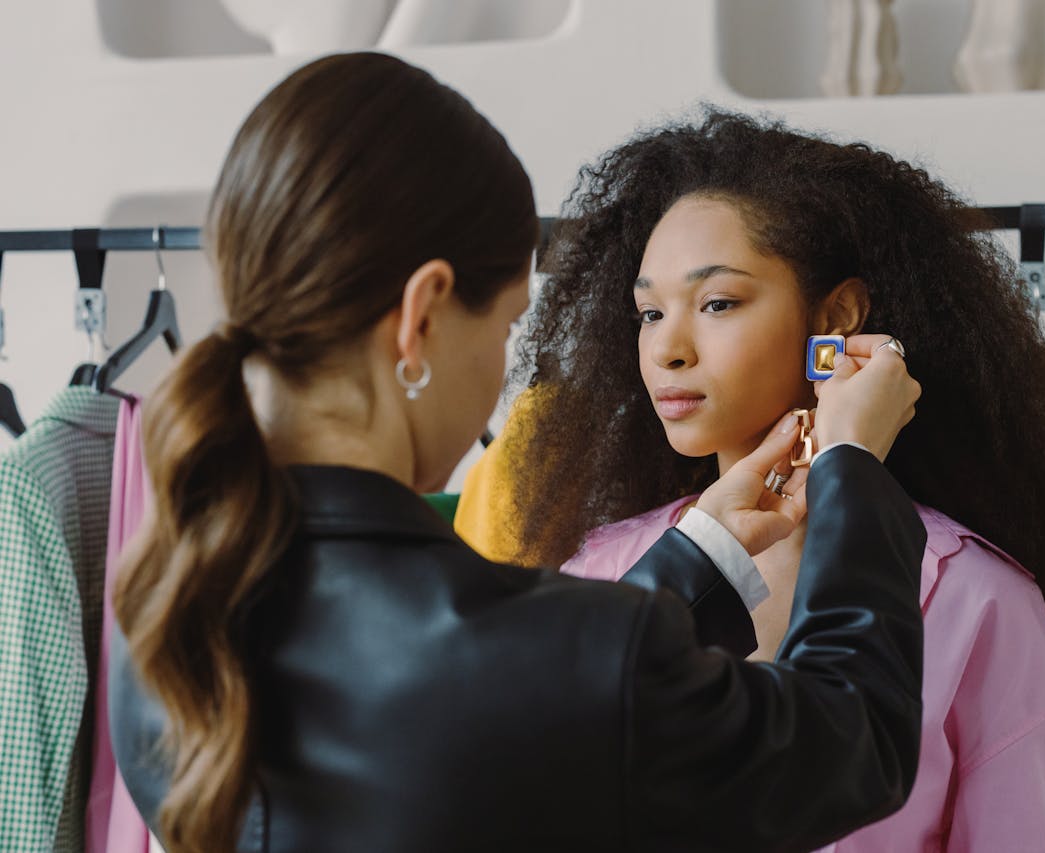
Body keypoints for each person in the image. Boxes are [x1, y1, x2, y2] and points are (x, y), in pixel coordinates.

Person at [107, 54, 930, 853]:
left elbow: (527, 700)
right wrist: (850, 463)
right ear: (421, 315)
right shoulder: (541, 657)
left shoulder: (166, 629)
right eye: (504, 325)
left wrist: (700, 554)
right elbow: (852, 737)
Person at [504, 110, 1045, 852]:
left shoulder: (978, 601)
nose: (667, 347)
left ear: (836, 316)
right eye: (649, 312)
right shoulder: (599, 572)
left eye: (718, 302)